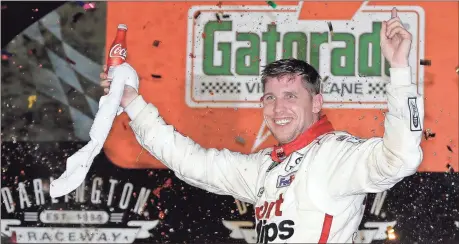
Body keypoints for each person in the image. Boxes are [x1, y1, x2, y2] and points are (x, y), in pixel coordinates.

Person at [100, 8, 423, 243]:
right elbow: (192, 163)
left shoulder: (333, 157)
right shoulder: (268, 166)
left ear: (317, 103)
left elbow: (400, 158)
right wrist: (132, 102)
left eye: (290, 96)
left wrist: (399, 70)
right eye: (270, 97)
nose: (278, 108)